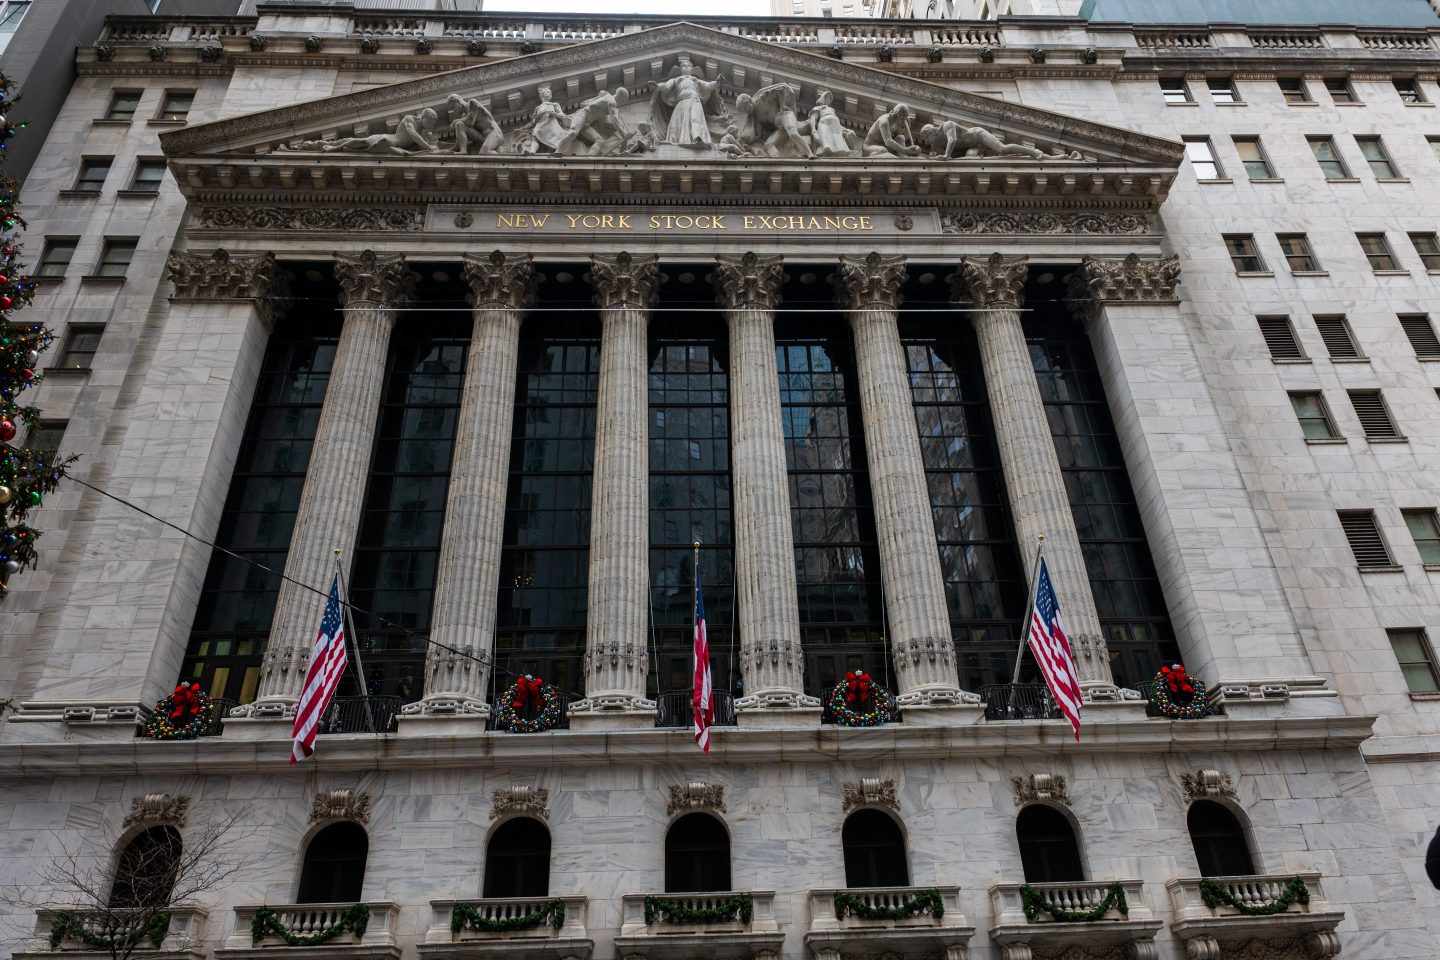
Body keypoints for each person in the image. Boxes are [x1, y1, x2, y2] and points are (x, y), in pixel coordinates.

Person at [649, 56, 725, 146]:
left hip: (694, 101)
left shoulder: (695, 80)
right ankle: (678, 139)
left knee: (695, 118)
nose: (686, 66)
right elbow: (666, 86)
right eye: (683, 65)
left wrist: (717, 82)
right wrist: (657, 86)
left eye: (688, 65)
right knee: (678, 122)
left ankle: (697, 137)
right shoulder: (677, 80)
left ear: (692, 69)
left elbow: (708, 85)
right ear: (680, 69)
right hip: (681, 102)